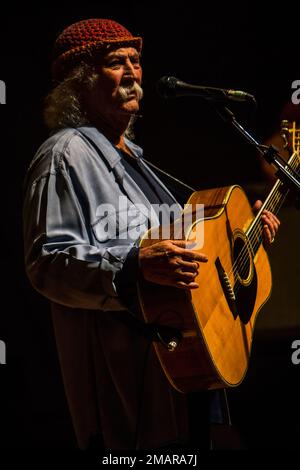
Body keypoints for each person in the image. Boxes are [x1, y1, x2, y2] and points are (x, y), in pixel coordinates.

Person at [23, 18, 280, 451]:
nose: (132, 73)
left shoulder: (140, 165)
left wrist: (246, 239)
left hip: (185, 374)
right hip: (127, 387)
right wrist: (134, 266)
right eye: (115, 62)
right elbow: (47, 263)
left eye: (136, 61)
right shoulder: (65, 154)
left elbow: (194, 263)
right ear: (78, 82)